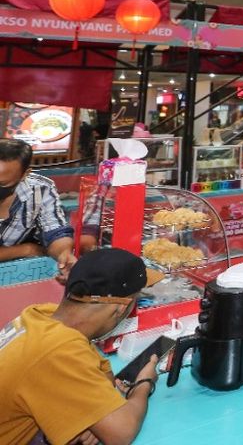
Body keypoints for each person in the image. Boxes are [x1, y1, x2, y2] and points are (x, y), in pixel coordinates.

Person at [0, 248, 163, 445]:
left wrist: (93, 419)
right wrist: (143, 385)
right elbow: (121, 433)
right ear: (121, 307)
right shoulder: (59, 347)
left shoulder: (41, 315)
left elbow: (103, 377)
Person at [0, 139, 75, 279]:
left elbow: (55, 231)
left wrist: (64, 254)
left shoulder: (40, 190)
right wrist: (24, 249)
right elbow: (31, 250)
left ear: (24, 174)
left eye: (3, 183)